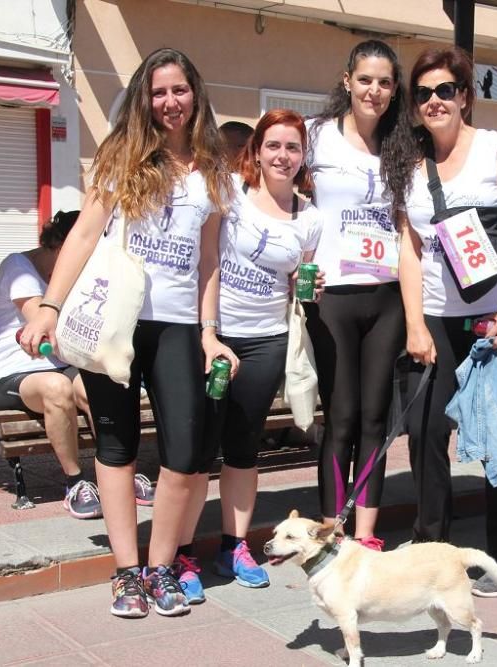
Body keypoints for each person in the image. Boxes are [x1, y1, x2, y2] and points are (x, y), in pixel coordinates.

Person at [19, 47, 237, 619]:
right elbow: (85, 235)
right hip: (116, 322)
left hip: (177, 327)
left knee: (186, 455)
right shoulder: (122, 157)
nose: (170, 102)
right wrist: (48, 306)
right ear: (146, 97)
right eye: (158, 92)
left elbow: (208, 258)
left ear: (196, 95)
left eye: (179, 90)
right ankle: (126, 572)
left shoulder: (214, 170)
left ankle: (161, 565)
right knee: (116, 447)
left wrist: (209, 332)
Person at [399, 45, 497, 597]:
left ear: (463, 96)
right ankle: (432, 548)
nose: (434, 101)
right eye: (423, 93)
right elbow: (409, 247)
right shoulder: (408, 160)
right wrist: (414, 321)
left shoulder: (494, 149)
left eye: (444, 90)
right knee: (426, 431)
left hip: (496, 315)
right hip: (436, 314)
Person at [173, 109, 324, 601]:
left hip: (267, 340)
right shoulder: (229, 194)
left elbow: (298, 287)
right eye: (274, 145)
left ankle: (234, 547)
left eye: (293, 147)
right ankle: (183, 553)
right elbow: (208, 259)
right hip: (215, 337)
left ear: (303, 157)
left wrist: (312, 288)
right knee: (196, 455)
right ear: (256, 149)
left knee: (242, 451)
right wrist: (208, 331)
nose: (283, 156)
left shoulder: (309, 218)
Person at [304, 40, 416, 550]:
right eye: (366, 79)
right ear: (347, 80)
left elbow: (405, 225)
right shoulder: (316, 137)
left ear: (396, 91)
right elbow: (278, 193)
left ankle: (365, 533)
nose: (375, 90)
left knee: (376, 417)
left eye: (385, 82)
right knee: (342, 415)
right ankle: (332, 527)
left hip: (386, 297)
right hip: (334, 299)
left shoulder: (403, 145)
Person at [0, 211, 130, 519]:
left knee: (99, 386)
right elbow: (44, 332)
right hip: (15, 373)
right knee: (58, 388)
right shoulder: (19, 268)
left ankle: (116, 473)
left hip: (62, 367)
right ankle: (75, 482)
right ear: (58, 246)